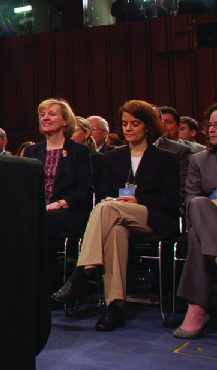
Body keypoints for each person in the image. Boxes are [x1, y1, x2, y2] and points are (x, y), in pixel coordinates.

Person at [52, 100, 180, 332]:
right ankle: (115, 307)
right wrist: (115, 202)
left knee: (107, 208)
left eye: (135, 123)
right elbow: (103, 194)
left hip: (153, 218)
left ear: (148, 127)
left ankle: (83, 272)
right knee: (115, 231)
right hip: (117, 217)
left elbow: (171, 202)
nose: (128, 128)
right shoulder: (113, 158)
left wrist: (138, 200)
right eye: (125, 124)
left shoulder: (166, 158)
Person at [23, 99, 94, 292]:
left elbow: (85, 191)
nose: (45, 118)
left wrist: (57, 204)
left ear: (65, 121)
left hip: (69, 212)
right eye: (43, 114)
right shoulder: (32, 151)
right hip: (39, 211)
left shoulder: (79, 151)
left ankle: (48, 288)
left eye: (52, 114)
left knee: (44, 220)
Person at [174, 103, 217, 338]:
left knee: (196, 237)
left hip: (206, 229)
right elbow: (190, 198)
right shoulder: (199, 159)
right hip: (208, 217)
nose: (211, 130)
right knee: (199, 204)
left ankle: (197, 308)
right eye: (210, 125)